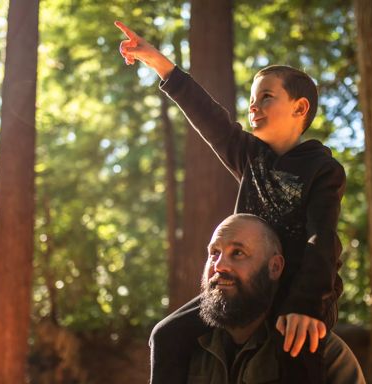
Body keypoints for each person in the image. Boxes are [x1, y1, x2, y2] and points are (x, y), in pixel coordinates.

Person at [114, 21, 347, 384]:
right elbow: (208, 116)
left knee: (296, 343)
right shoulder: (249, 156)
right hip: (244, 282)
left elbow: (323, 239)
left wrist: (305, 306)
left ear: (300, 108)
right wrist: (158, 62)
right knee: (166, 334)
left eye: (267, 97)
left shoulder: (323, 169)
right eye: (252, 100)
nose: (254, 107)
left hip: (300, 289)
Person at [189, 213, 365, 383]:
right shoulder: (184, 347)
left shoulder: (324, 356)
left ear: (274, 267)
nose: (219, 266)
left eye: (237, 253)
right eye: (214, 253)